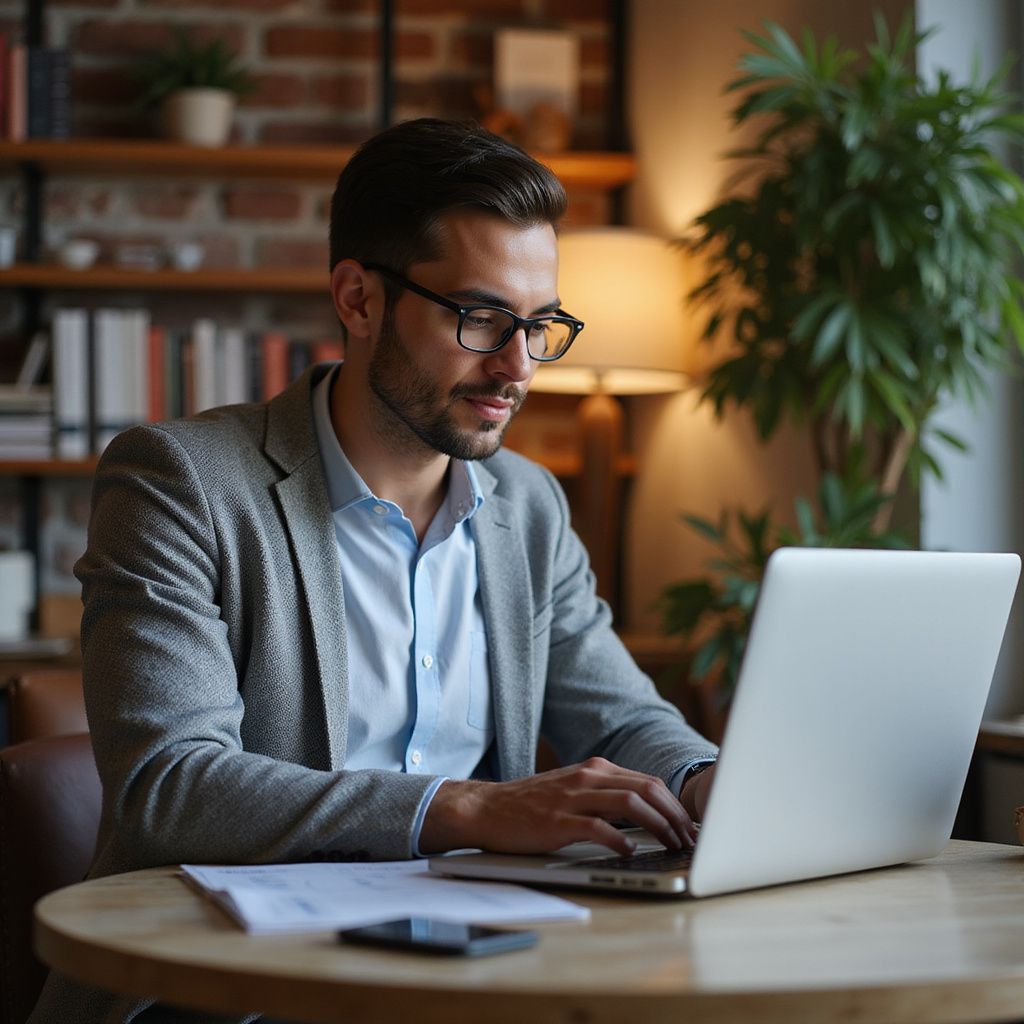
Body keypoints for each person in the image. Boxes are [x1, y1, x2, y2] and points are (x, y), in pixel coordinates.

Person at [31, 117, 717, 1023]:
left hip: (479, 971)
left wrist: (708, 783)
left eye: (540, 325)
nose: (516, 367)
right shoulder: (181, 482)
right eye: (480, 318)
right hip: (226, 989)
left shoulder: (529, 507)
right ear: (358, 299)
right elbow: (172, 785)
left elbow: (623, 717)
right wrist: (463, 809)